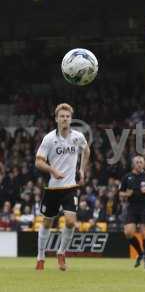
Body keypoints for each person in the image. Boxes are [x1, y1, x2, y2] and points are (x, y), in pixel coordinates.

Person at [35, 103, 90, 271]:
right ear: (56, 119)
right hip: (53, 188)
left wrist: (81, 170)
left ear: (71, 119)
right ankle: (41, 256)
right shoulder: (49, 138)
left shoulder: (78, 136)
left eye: (67, 116)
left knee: (71, 221)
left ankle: (61, 252)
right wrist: (52, 170)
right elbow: (38, 161)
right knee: (46, 223)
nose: (65, 119)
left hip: (70, 187)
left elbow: (86, 151)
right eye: (62, 116)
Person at [119, 156, 145, 269]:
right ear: (133, 164)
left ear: (144, 164)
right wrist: (126, 194)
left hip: (144, 208)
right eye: (137, 162)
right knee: (128, 232)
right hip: (132, 208)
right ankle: (140, 253)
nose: (139, 164)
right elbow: (120, 193)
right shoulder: (127, 177)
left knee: (144, 232)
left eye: (141, 162)